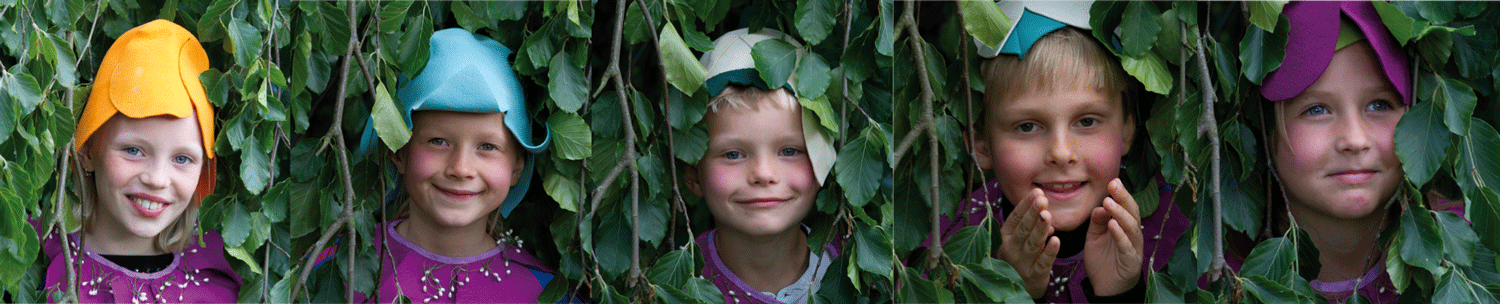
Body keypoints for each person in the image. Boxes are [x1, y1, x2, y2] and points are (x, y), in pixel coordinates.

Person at [927, 1, 1188, 302]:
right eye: (1027, 127)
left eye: (1087, 121)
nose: (1062, 153)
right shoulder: (945, 248)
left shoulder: (1177, 240)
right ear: (981, 143)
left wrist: (1120, 296)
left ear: (1127, 129)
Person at [1250, 2, 1457, 302]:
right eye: (1317, 110)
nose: (1355, 139)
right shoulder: (1207, 270)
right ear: (1265, 133)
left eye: (1379, 105)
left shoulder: (1464, 256)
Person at [40, 19, 241, 303]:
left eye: (182, 158)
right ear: (86, 151)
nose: (157, 179)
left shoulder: (221, 284)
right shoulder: (27, 260)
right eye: (133, 150)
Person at [357, 28, 558, 303]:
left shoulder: (544, 293)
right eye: (438, 141)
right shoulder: (341, 271)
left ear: (517, 168)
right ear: (398, 153)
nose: (461, 169)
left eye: (488, 147)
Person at [685, 28, 840, 304]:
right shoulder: (674, 289)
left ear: (822, 158)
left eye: (790, 151)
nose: (763, 174)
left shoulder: (861, 276)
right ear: (693, 174)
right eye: (733, 154)